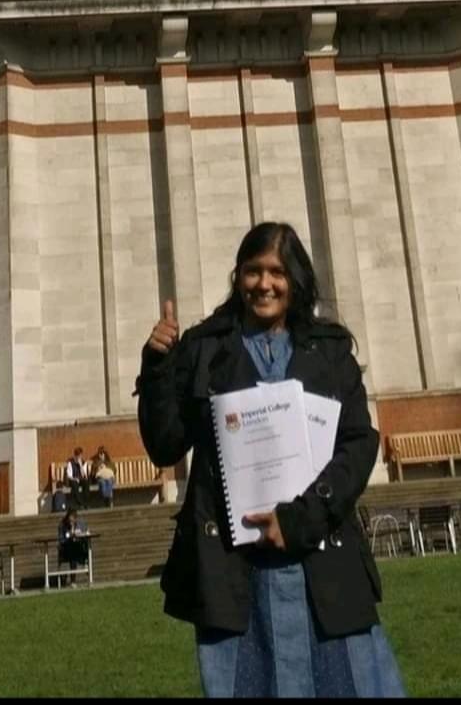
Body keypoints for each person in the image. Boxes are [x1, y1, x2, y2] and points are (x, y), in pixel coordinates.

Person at [138, 219, 406, 699]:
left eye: (277, 272)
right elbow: (165, 444)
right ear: (238, 276)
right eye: (253, 271)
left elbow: (358, 443)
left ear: (295, 280)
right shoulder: (204, 348)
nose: (264, 283)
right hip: (236, 570)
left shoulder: (329, 350)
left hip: (322, 560)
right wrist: (158, 367)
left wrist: (302, 517)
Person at [57, 504, 90, 583]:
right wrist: (69, 534)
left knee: (86, 544)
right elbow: (61, 539)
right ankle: (72, 580)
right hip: (66, 548)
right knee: (73, 555)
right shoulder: (62, 525)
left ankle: (86, 562)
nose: (72, 520)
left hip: (78, 546)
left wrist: (82, 533)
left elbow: (85, 531)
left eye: (74, 518)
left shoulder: (80, 523)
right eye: (70, 518)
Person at [63, 445, 89, 510]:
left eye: (80, 456)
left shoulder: (83, 462)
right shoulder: (70, 463)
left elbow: (84, 475)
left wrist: (81, 466)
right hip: (73, 480)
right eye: (77, 456)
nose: (79, 458)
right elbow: (69, 476)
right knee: (75, 485)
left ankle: (85, 502)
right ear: (75, 456)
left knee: (86, 482)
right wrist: (75, 479)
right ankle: (81, 503)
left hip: (80, 479)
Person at [91, 445, 116, 510]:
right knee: (103, 482)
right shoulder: (95, 462)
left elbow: (114, 470)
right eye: (100, 454)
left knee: (109, 482)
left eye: (102, 454)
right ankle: (107, 498)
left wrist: (107, 468)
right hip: (101, 478)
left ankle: (108, 500)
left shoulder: (109, 461)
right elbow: (93, 474)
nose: (101, 455)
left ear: (105, 454)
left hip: (109, 477)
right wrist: (98, 468)